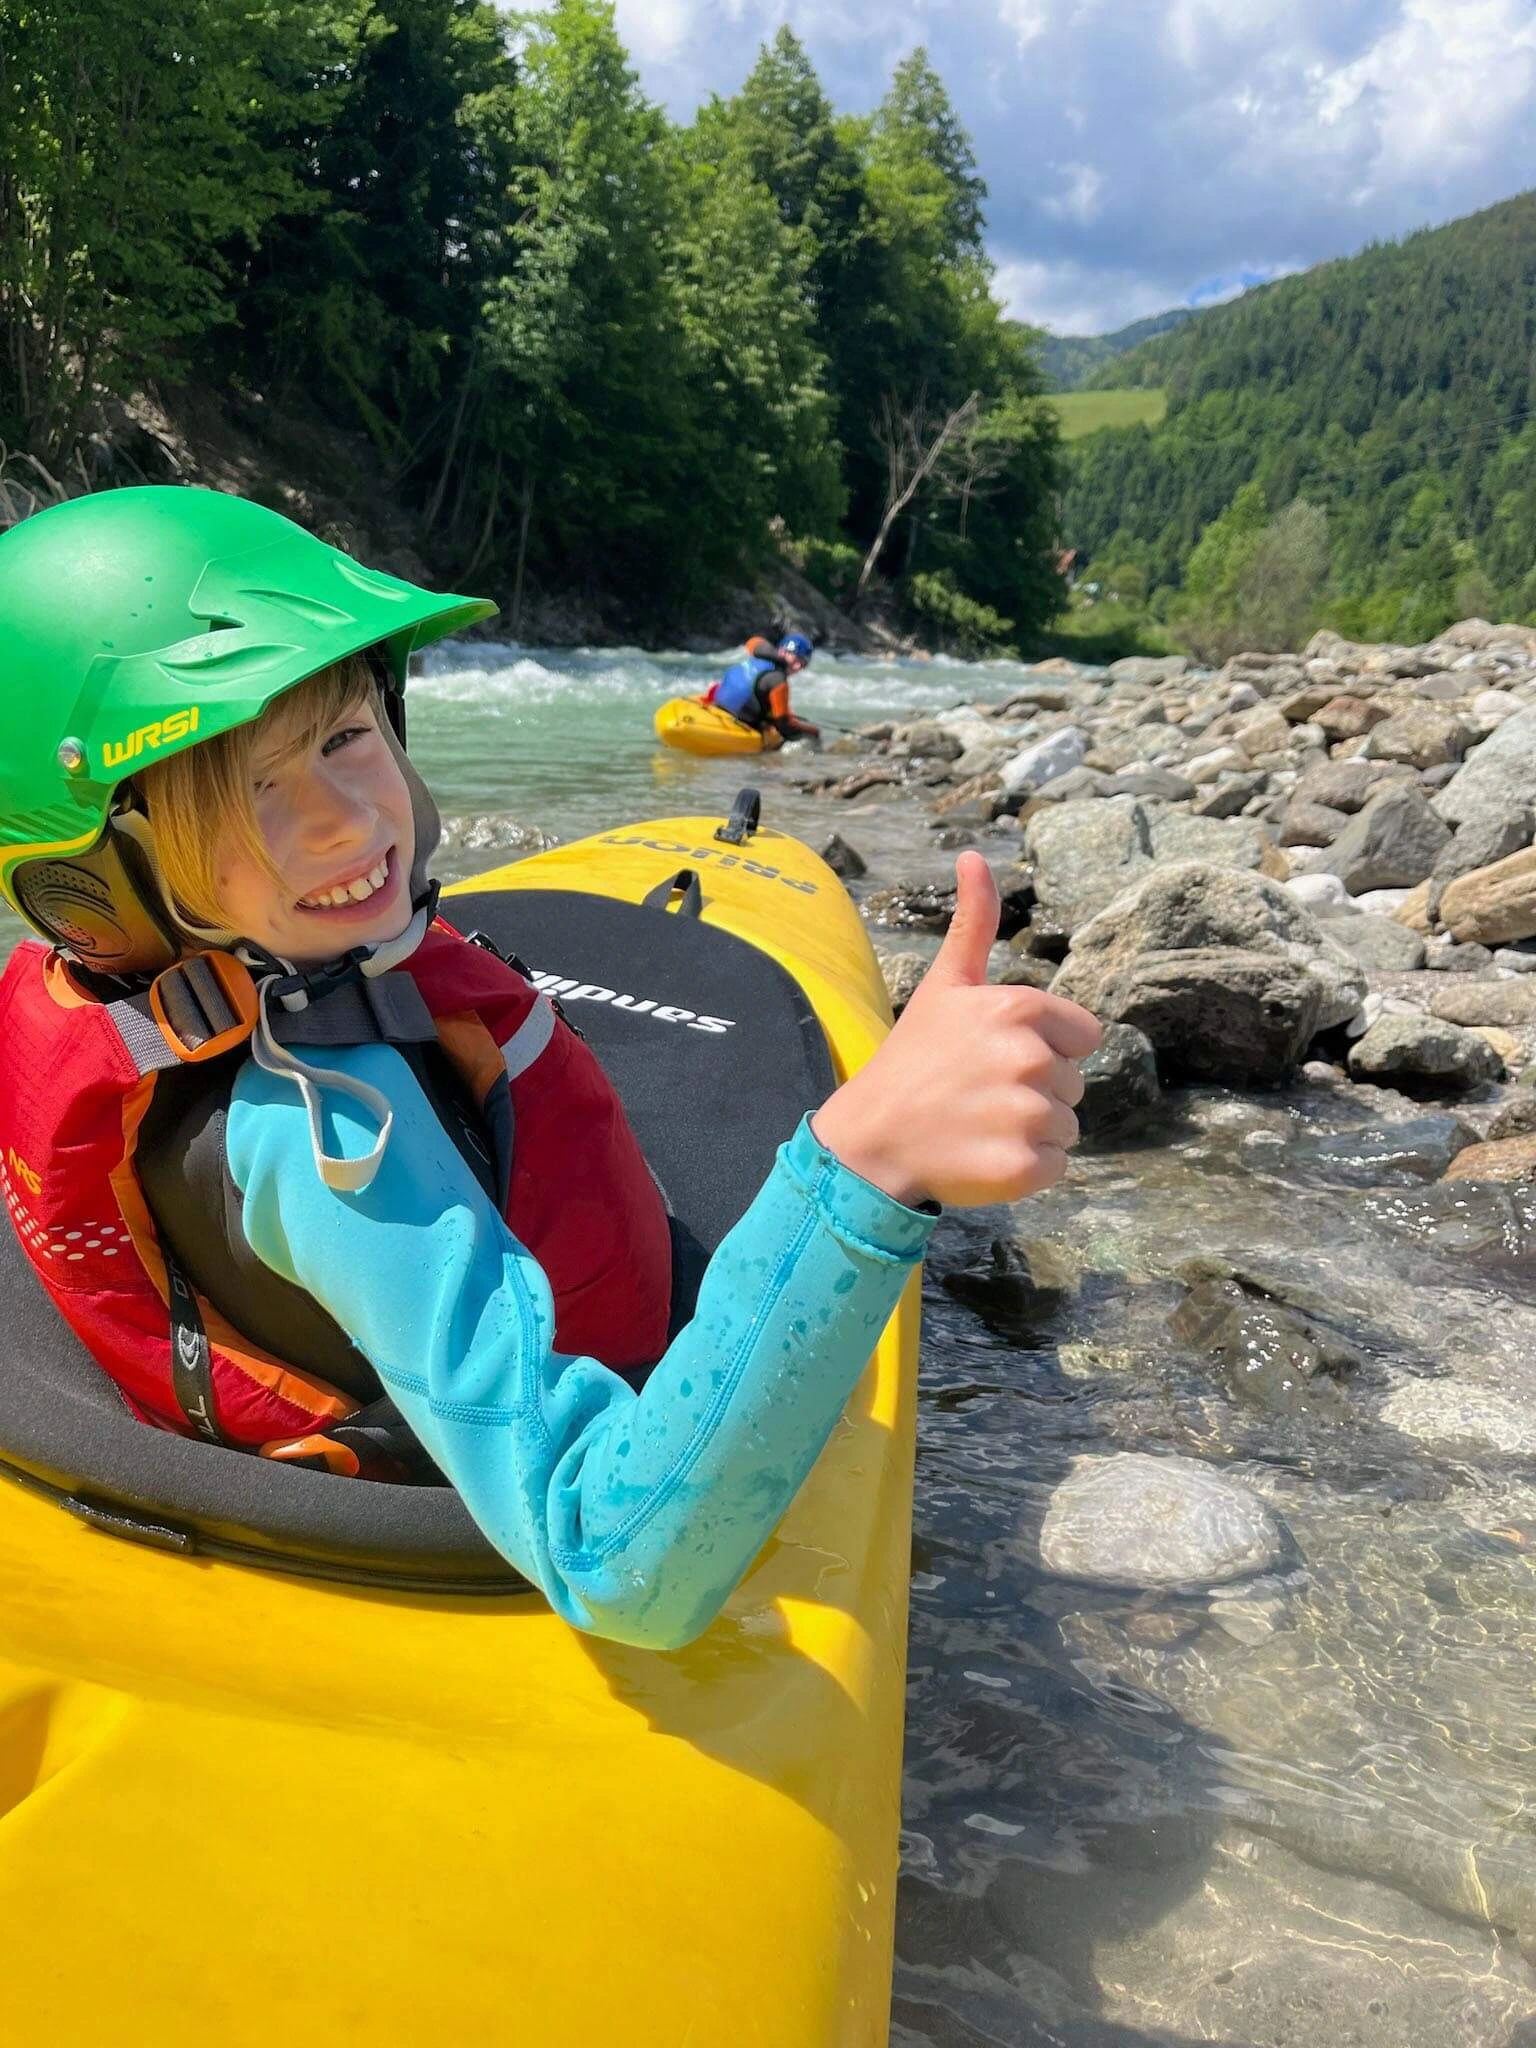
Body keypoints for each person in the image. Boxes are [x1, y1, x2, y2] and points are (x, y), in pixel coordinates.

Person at [0, 487, 1100, 1649]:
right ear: (94, 885)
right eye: (249, 790)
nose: (344, 822)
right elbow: (612, 1556)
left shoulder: (136, 990)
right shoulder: (329, 1136)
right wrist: (870, 1163)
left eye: (343, 737)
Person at [705, 630, 820, 745]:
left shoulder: (759, 650)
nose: (798, 667)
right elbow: (784, 726)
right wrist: (813, 732)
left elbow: (753, 641)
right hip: (739, 722)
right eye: (797, 659)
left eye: (803, 663)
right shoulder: (778, 680)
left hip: (716, 707)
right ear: (782, 652)